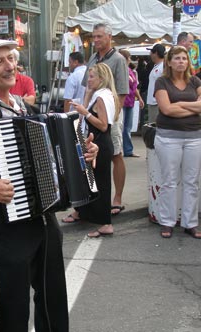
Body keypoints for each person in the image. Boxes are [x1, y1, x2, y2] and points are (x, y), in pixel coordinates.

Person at [0, 37, 99, 332]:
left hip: (45, 218)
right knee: (15, 300)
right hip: (7, 224)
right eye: (0, 62)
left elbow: (55, 156)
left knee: (53, 295)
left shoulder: (22, 106)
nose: (10, 66)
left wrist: (83, 155)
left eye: (11, 58)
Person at [64, 63, 119, 237]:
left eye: (92, 76)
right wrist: (87, 96)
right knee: (88, 179)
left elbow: (103, 126)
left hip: (100, 143)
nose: (88, 79)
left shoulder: (102, 97)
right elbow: (84, 116)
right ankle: (82, 212)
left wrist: (85, 112)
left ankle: (105, 222)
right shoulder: (103, 94)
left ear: (101, 79)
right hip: (98, 142)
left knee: (100, 183)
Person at [81, 22, 129, 217]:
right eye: (94, 37)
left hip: (111, 114)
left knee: (115, 154)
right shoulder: (93, 57)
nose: (96, 40)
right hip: (94, 111)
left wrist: (113, 117)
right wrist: (85, 109)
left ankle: (117, 197)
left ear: (109, 37)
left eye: (99, 36)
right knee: (93, 156)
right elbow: (87, 86)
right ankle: (93, 200)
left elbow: (123, 92)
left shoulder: (118, 59)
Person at [154, 46, 201, 239]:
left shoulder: (195, 81)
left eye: (184, 58)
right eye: (177, 58)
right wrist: (194, 108)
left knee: (192, 182)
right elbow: (166, 109)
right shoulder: (162, 81)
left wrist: (180, 105)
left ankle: (190, 223)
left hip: (195, 137)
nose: (181, 61)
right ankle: (167, 222)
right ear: (170, 62)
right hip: (168, 138)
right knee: (169, 181)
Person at [119, 49, 144, 157]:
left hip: (130, 101)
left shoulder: (130, 71)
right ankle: (120, 149)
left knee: (128, 127)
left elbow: (135, 87)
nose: (129, 60)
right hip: (122, 101)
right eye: (128, 58)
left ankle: (128, 150)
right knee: (121, 126)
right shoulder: (119, 70)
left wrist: (140, 98)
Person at [146, 44, 165, 123]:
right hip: (153, 101)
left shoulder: (163, 67)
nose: (150, 54)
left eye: (151, 52)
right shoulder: (157, 66)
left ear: (156, 53)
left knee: (154, 126)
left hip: (157, 102)